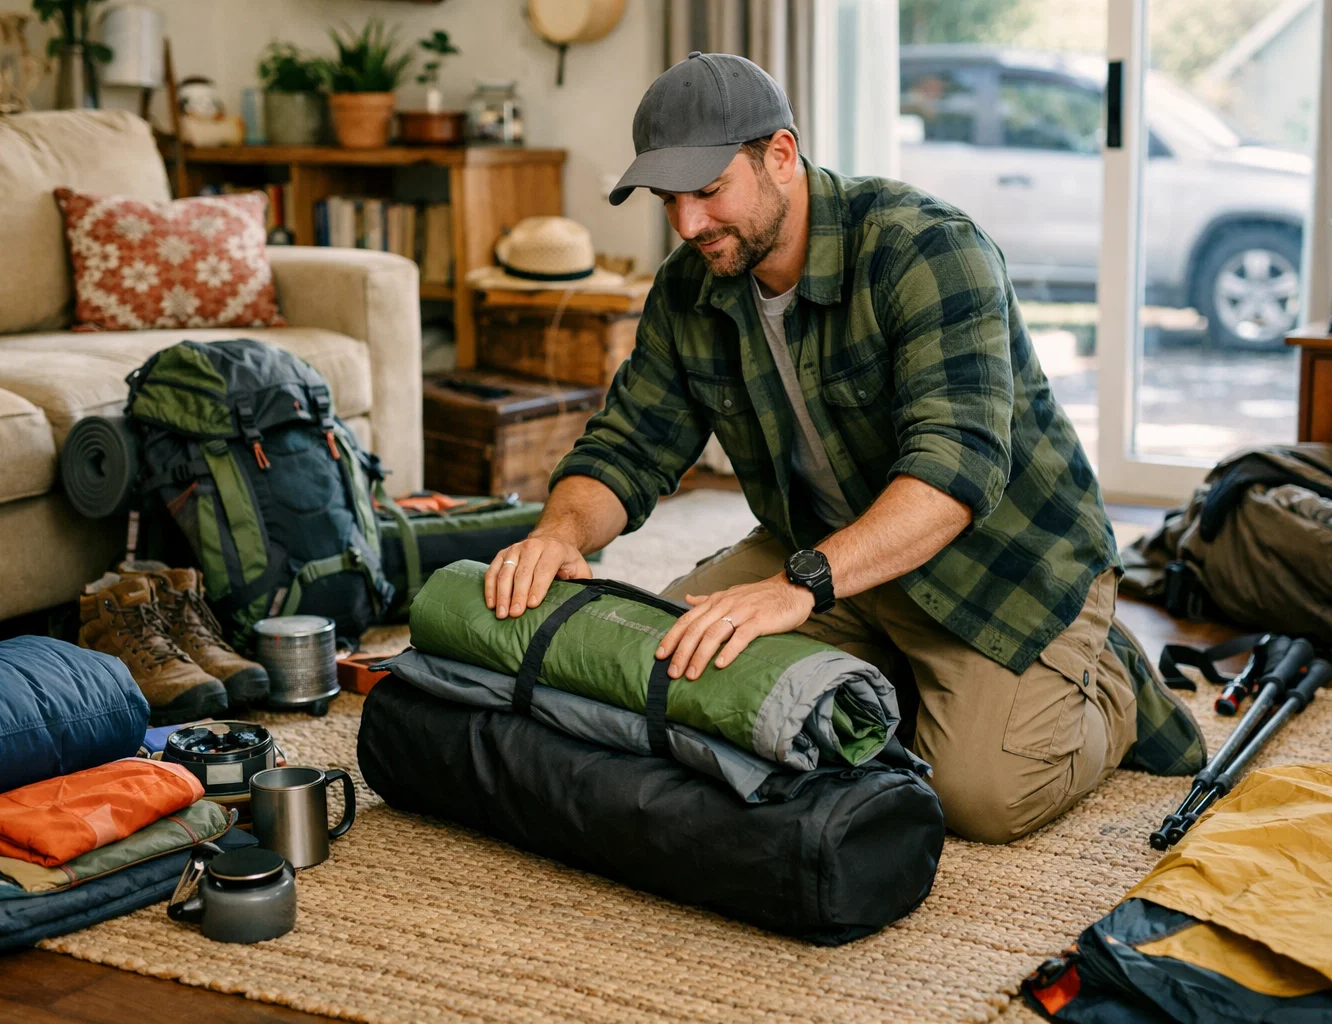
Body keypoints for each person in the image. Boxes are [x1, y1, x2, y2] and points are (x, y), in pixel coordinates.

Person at [484, 51, 1202, 843]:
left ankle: (1108, 682)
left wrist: (799, 589)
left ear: (781, 157)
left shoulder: (927, 250)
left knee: (981, 798)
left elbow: (953, 471)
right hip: (826, 549)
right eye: (668, 200)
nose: (688, 225)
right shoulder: (689, 287)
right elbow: (628, 445)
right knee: (663, 663)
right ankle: (892, 669)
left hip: (1002, 566)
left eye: (708, 191)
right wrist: (557, 534)